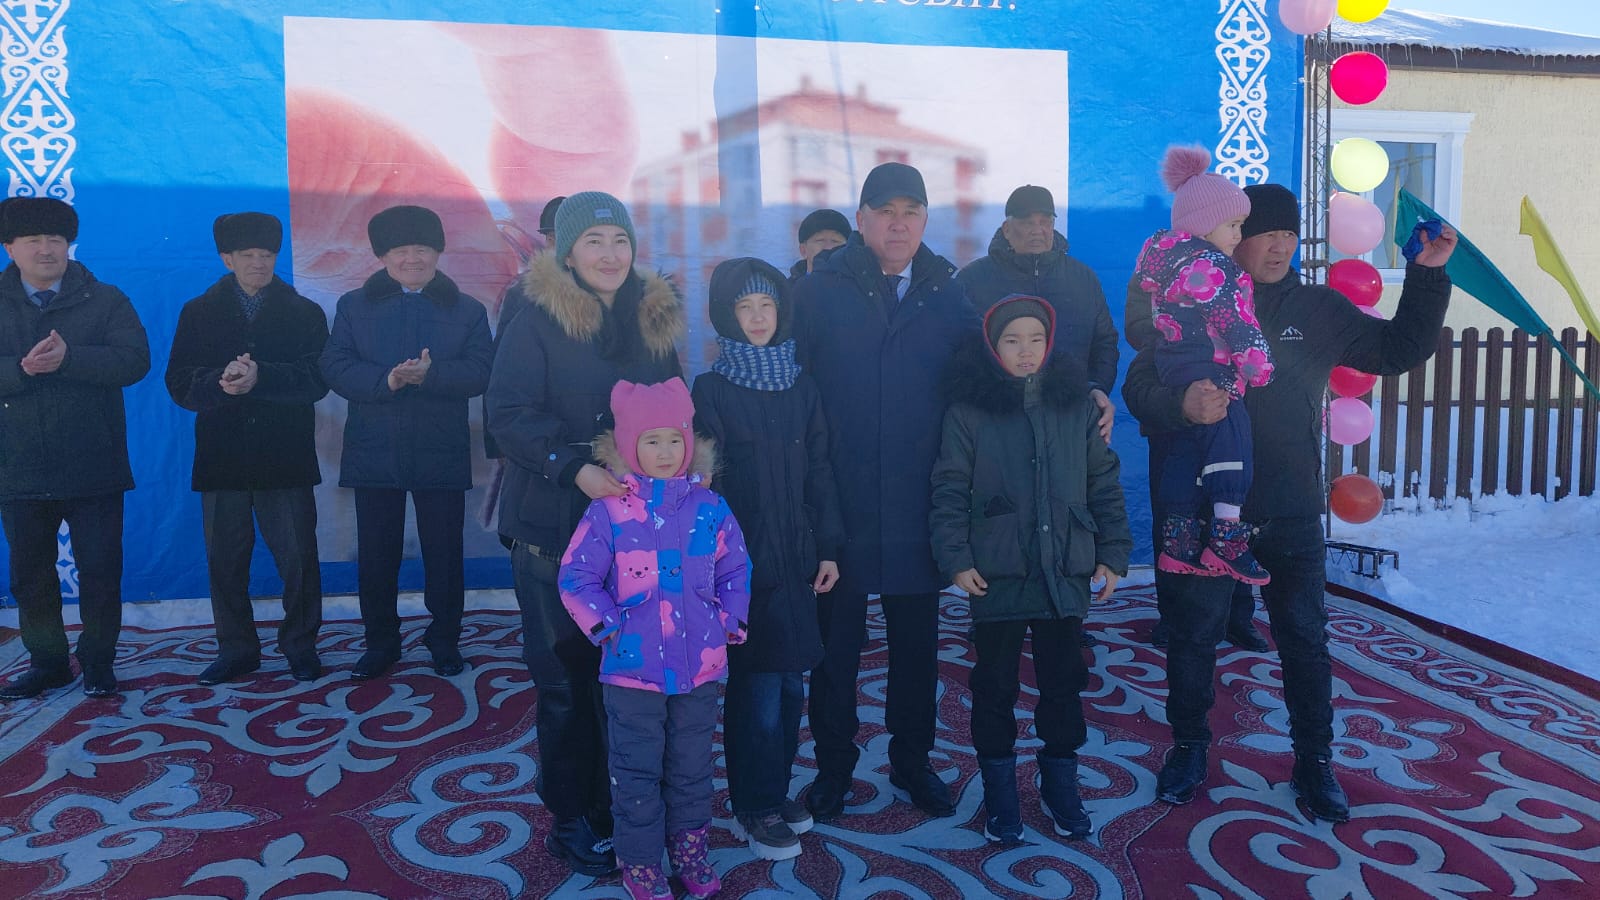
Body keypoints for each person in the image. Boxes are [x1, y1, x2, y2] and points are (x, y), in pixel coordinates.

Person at [1122, 183, 1457, 823]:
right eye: (1264, 234)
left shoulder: (1318, 308)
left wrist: (1427, 277)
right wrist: (1178, 403)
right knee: (1192, 638)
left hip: (1290, 508)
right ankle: (1189, 749)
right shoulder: (1190, 293)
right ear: (1233, 238)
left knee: (1304, 639)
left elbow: (1398, 350)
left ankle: (1314, 761)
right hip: (1203, 513)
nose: (1279, 246)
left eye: (1288, 234)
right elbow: (1140, 384)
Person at [485, 190, 684, 876]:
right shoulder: (534, 316)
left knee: (628, 680)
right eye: (594, 241)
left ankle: (622, 803)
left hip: (635, 532)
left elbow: (676, 412)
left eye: (620, 240)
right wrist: (573, 468)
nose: (609, 254)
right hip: (555, 528)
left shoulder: (653, 316)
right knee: (567, 682)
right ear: (567, 252)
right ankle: (571, 817)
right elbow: (507, 414)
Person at [791, 161, 979, 821]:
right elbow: (791, 388)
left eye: (911, 212)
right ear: (861, 219)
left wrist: (1077, 393)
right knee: (834, 653)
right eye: (885, 211)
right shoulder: (817, 292)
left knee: (916, 652)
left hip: (917, 503)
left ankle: (912, 761)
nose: (899, 225)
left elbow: (985, 380)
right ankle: (833, 769)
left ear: (925, 220)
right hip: (838, 504)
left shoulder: (947, 292)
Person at [931, 294, 1131, 843]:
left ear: (1050, 344)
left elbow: (1103, 481)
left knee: (1063, 681)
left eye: (1036, 339)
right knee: (994, 684)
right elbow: (949, 488)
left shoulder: (1076, 406)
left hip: (1063, 568)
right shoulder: (969, 411)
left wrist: (1113, 551)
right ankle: (1000, 790)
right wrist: (956, 558)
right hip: (997, 570)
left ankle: (1059, 781)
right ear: (992, 347)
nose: (1025, 351)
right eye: (1013, 340)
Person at [559, 377, 750, 900]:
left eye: (673, 440)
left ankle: (690, 852)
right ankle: (640, 860)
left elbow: (736, 568)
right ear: (629, 446)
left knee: (692, 767)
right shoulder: (609, 511)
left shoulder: (710, 507)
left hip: (700, 668)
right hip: (632, 670)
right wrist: (608, 627)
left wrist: (730, 620)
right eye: (651, 441)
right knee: (635, 770)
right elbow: (576, 577)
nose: (665, 452)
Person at [690, 257, 844, 860]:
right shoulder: (711, 390)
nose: (757, 318)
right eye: (744, 307)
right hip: (741, 567)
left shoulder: (802, 386)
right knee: (755, 690)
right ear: (725, 315)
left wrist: (827, 548)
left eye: (767, 306)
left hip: (798, 559)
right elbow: (706, 487)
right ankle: (754, 805)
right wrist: (716, 565)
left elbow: (821, 471)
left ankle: (775, 793)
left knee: (788, 688)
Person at [320, 204, 493, 680]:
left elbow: (482, 370)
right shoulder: (353, 305)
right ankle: (381, 643)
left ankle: (445, 641)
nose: (412, 258)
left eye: (422, 249)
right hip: (374, 449)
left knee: (445, 554)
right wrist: (388, 381)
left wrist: (432, 375)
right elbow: (335, 365)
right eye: (400, 250)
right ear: (382, 256)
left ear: (437, 252)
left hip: (441, 448)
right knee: (377, 555)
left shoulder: (467, 309)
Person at [166, 212, 330, 685]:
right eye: (248, 255)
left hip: (285, 457)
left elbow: (319, 378)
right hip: (223, 458)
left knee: (299, 559)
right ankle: (236, 649)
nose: (259, 263)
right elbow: (178, 381)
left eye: (267, 254)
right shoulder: (198, 312)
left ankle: (301, 646)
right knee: (226, 561)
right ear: (227, 259)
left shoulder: (304, 313)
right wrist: (220, 382)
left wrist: (264, 377)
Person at [957, 183, 1120, 646]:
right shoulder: (974, 279)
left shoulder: (1081, 278)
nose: (1036, 229)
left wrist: (1095, 390)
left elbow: (1105, 342)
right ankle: (995, 616)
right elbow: (955, 350)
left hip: (1068, 424)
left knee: (1065, 511)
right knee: (1003, 519)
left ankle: (1065, 611)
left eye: (1045, 220)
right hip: (997, 426)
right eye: (1025, 221)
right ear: (1006, 228)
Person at [0, 197, 150, 700]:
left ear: (69, 245)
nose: (46, 249)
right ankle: (47, 663)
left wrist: (70, 359)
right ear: (10, 248)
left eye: (56, 239)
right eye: (33, 240)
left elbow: (134, 360)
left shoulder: (105, 299)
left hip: (94, 463)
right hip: (17, 466)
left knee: (102, 572)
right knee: (31, 577)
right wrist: (20, 370)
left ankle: (98, 661)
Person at [1135, 146, 1273, 584]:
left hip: (1174, 365)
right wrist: (1258, 366)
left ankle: (1178, 541)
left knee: (1186, 448)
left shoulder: (1165, 261)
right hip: (1211, 366)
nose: (1238, 235)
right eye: (1232, 225)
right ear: (1203, 224)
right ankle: (1227, 536)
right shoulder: (1213, 266)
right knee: (1232, 439)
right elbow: (1236, 322)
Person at [789, 208, 850, 282]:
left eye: (835, 241)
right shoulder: (788, 288)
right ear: (803, 250)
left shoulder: (858, 286)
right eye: (820, 240)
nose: (828, 247)